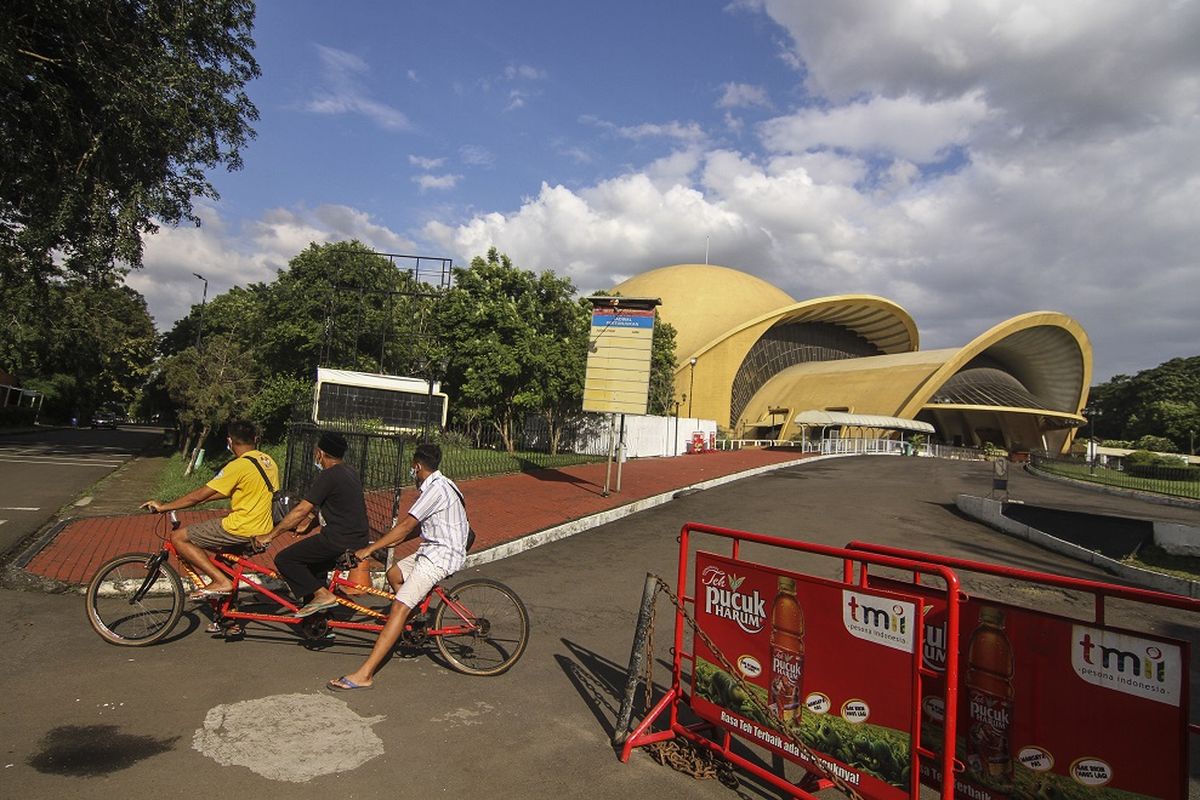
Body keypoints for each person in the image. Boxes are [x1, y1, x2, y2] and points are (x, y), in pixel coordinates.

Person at [328, 442, 469, 691]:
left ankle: (365, 673)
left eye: (412, 468)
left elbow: (406, 526)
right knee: (394, 573)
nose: (411, 472)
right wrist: (388, 542)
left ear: (417, 466)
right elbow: (413, 529)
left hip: (441, 556)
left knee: (398, 608)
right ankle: (413, 620)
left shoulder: (435, 490)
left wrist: (368, 551)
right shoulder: (444, 483)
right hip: (433, 548)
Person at [141, 420, 278, 599]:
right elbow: (230, 491)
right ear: (255, 439)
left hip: (241, 527)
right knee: (224, 563)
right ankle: (229, 622)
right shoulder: (268, 461)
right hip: (264, 527)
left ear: (229, 441)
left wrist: (165, 506)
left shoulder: (237, 466)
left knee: (178, 537)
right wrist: (199, 501)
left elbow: (198, 496)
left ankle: (220, 582)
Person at [254, 431, 370, 617]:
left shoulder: (328, 475)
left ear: (321, 453)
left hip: (337, 540)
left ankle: (323, 595)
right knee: (313, 567)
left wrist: (270, 535)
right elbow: (333, 504)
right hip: (358, 538)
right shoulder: (350, 472)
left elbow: (301, 510)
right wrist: (309, 526)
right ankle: (317, 620)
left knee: (285, 559)